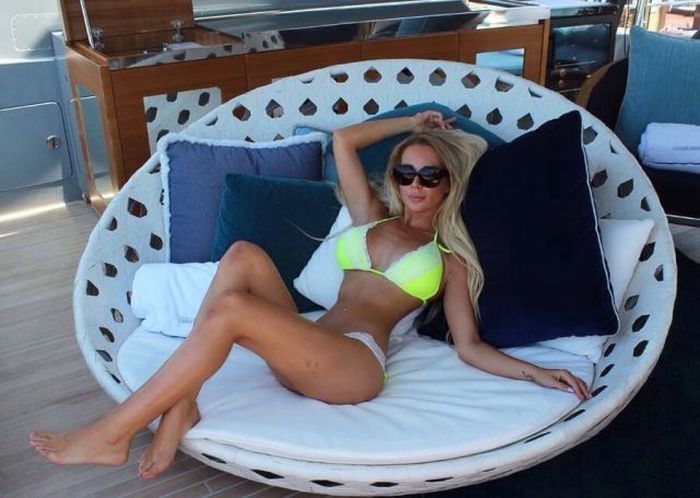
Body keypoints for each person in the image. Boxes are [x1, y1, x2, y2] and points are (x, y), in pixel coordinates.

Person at [30, 111, 590, 478]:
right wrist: (411, 122)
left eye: (430, 176)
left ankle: (115, 432)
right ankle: (181, 404)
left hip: (354, 368)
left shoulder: (448, 260)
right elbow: (343, 140)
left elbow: (468, 346)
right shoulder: (370, 217)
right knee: (243, 254)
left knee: (233, 309)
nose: (415, 185)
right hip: (311, 345)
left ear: (449, 183)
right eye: (405, 173)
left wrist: (537, 373)